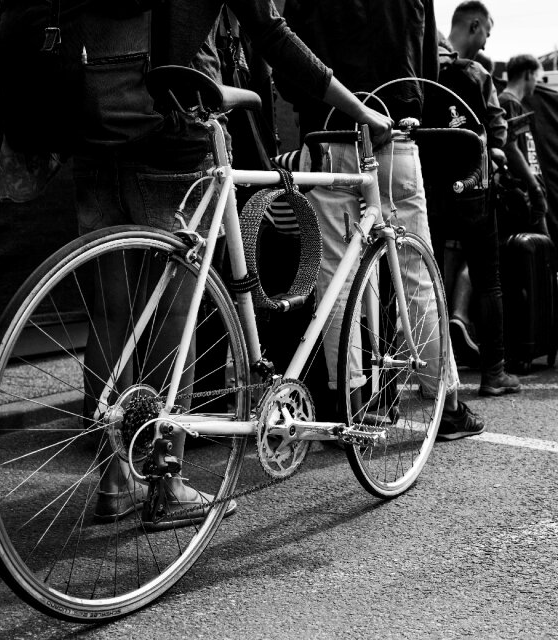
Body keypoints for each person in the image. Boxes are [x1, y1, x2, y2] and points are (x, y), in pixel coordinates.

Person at [67, 2, 394, 528]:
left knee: (110, 314)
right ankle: (165, 483)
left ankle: (113, 481)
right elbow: (272, 33)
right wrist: (358, 110)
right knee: (180, 310)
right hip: (173, 123)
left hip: (95, 119)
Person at [279, 0, 486, 441]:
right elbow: (428, 66)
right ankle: (445, 403)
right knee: (417, 274)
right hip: (395, 129)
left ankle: (349, 406)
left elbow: (289, 72)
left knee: (335, 277)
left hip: (327, 130)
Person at [430, 2, 520, 397]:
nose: (487, 40)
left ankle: (430, 375)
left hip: (430, 188)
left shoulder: (421, 66)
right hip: (474, 190)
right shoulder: (477, 73)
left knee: (427, 281)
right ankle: (494, 374)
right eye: (486, 32)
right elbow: (498, 133)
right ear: (474, 25)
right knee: (488, 281)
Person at [499, 53, 549, 235]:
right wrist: (534, 188)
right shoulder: (508, 103)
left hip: (526, 193)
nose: (537, 82)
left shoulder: (510, 103)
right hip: (522, 194)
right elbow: (510, 147)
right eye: (537, 76)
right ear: (528, 74)